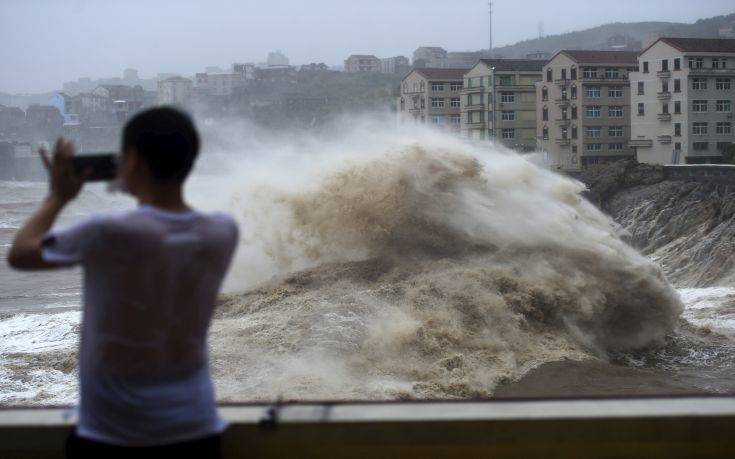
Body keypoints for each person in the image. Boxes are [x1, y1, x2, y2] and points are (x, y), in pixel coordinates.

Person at [7, 107, 238, 458]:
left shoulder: (106, 232)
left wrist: (57, 198)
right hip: (197, 430)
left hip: (114, 436)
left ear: (132, 160)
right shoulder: (222, 231)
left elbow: (21, 254)